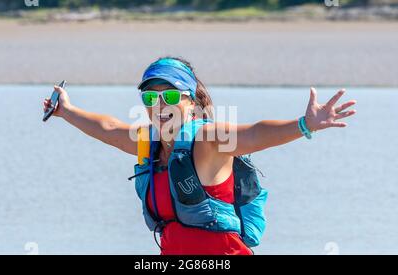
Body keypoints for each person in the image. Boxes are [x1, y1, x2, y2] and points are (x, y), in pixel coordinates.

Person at [43, 57, 357, 255]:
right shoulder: (149, 142)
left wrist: (304, 125)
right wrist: (66, 111)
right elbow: (109, 128)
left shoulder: (206, 139)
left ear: (191, 102)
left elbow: (254, 134)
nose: (158, 105)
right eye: (150, 97)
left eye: (169, 96)